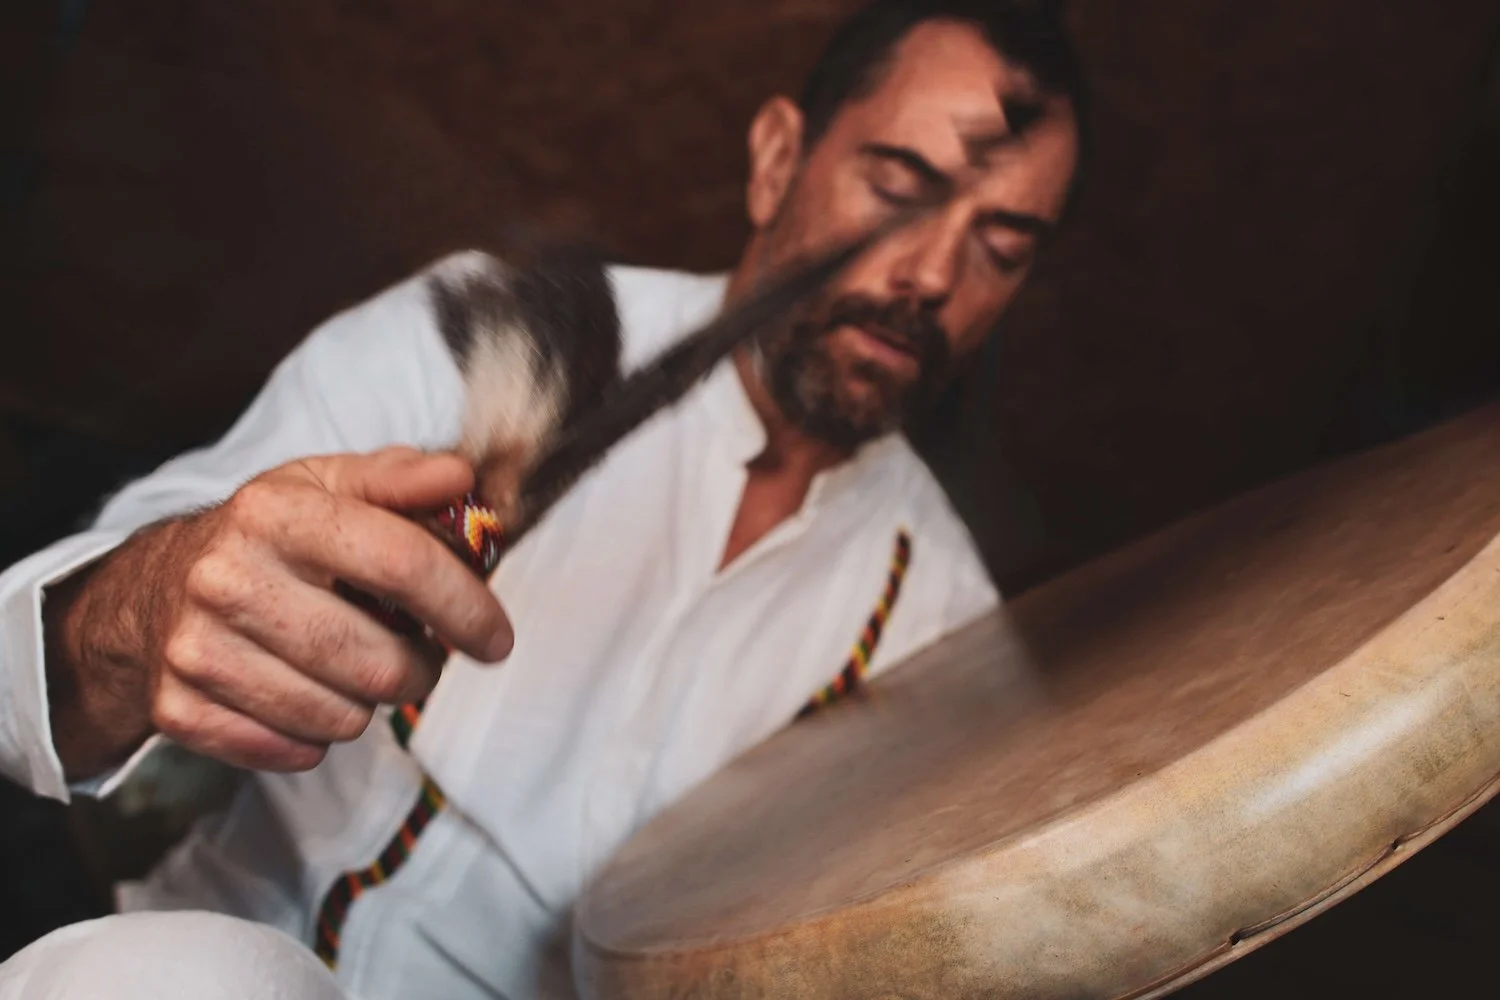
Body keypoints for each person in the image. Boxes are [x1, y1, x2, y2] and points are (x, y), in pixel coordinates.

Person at [0, 1, 1085, 996]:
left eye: (1001, 247)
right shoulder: (500, 339)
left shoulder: (943, 619)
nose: (933, 275)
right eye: (897, 189)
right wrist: (150, 609)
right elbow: (16, 677)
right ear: (775, 159)